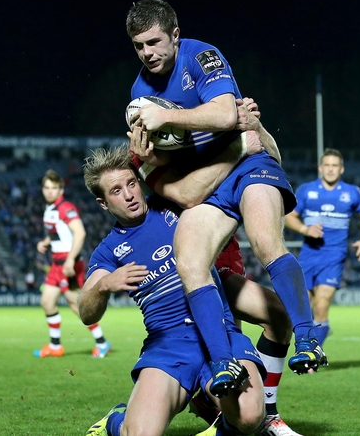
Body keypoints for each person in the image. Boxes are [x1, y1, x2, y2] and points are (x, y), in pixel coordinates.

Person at [125, 0, 324, 394]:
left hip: (250, 167)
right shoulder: (139, 91)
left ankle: (307, 338)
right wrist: (146, 155)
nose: (147, 53)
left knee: (267, 242)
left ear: (175, 36)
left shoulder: (202, 56)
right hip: (210, 184)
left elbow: (225, 114)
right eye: (138, 46)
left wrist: (170, 117)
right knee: (191, 261)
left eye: (154, 42)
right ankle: (223, 365)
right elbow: (172, 162)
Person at [133, 100, 305, 435]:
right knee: (224, 343)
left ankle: (255, 413)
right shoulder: (143, 154)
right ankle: (230, 412)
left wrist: (253, 125)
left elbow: (269, 162)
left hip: (225, 255)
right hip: (189, 265)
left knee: (276, 318)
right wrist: (239, 146)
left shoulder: (215, 126)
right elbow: (189, 194)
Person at [80, 145, 266, 436]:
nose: (129, 195)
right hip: (168, 344)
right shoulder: (108, 253)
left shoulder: (173, 204)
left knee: (251, 416)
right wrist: (104, 285)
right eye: (116, 191)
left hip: (219, 331)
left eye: (131, 184)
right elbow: (86, 313)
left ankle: (217, 418)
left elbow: (212, 182)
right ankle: (117, 420)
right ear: (103, 203)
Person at [284, 149, 360, 347]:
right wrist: (305, 229)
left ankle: (312, 354)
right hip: (309, 255)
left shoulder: (352, 193)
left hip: (334, 256)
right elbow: (289, 216)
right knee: (305, 306)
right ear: (320, 168)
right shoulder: (307, 190)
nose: (331, 169)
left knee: (322, 303)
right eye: (327, 165)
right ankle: (319, 332)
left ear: (341, 169)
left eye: (335, 166)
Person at [34, 170, 110, 359]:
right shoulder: (50, 209)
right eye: (46, 188)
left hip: (69, 263)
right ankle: (55, 346)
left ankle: (102, 343)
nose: (49, 191)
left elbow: (80, 232)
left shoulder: (65, 207)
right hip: (56, 264)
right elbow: (59, 233)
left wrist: (70, 260)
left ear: (61, 190)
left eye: (54, 188)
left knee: (77, 305)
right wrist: (46, 241)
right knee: (47, 302)